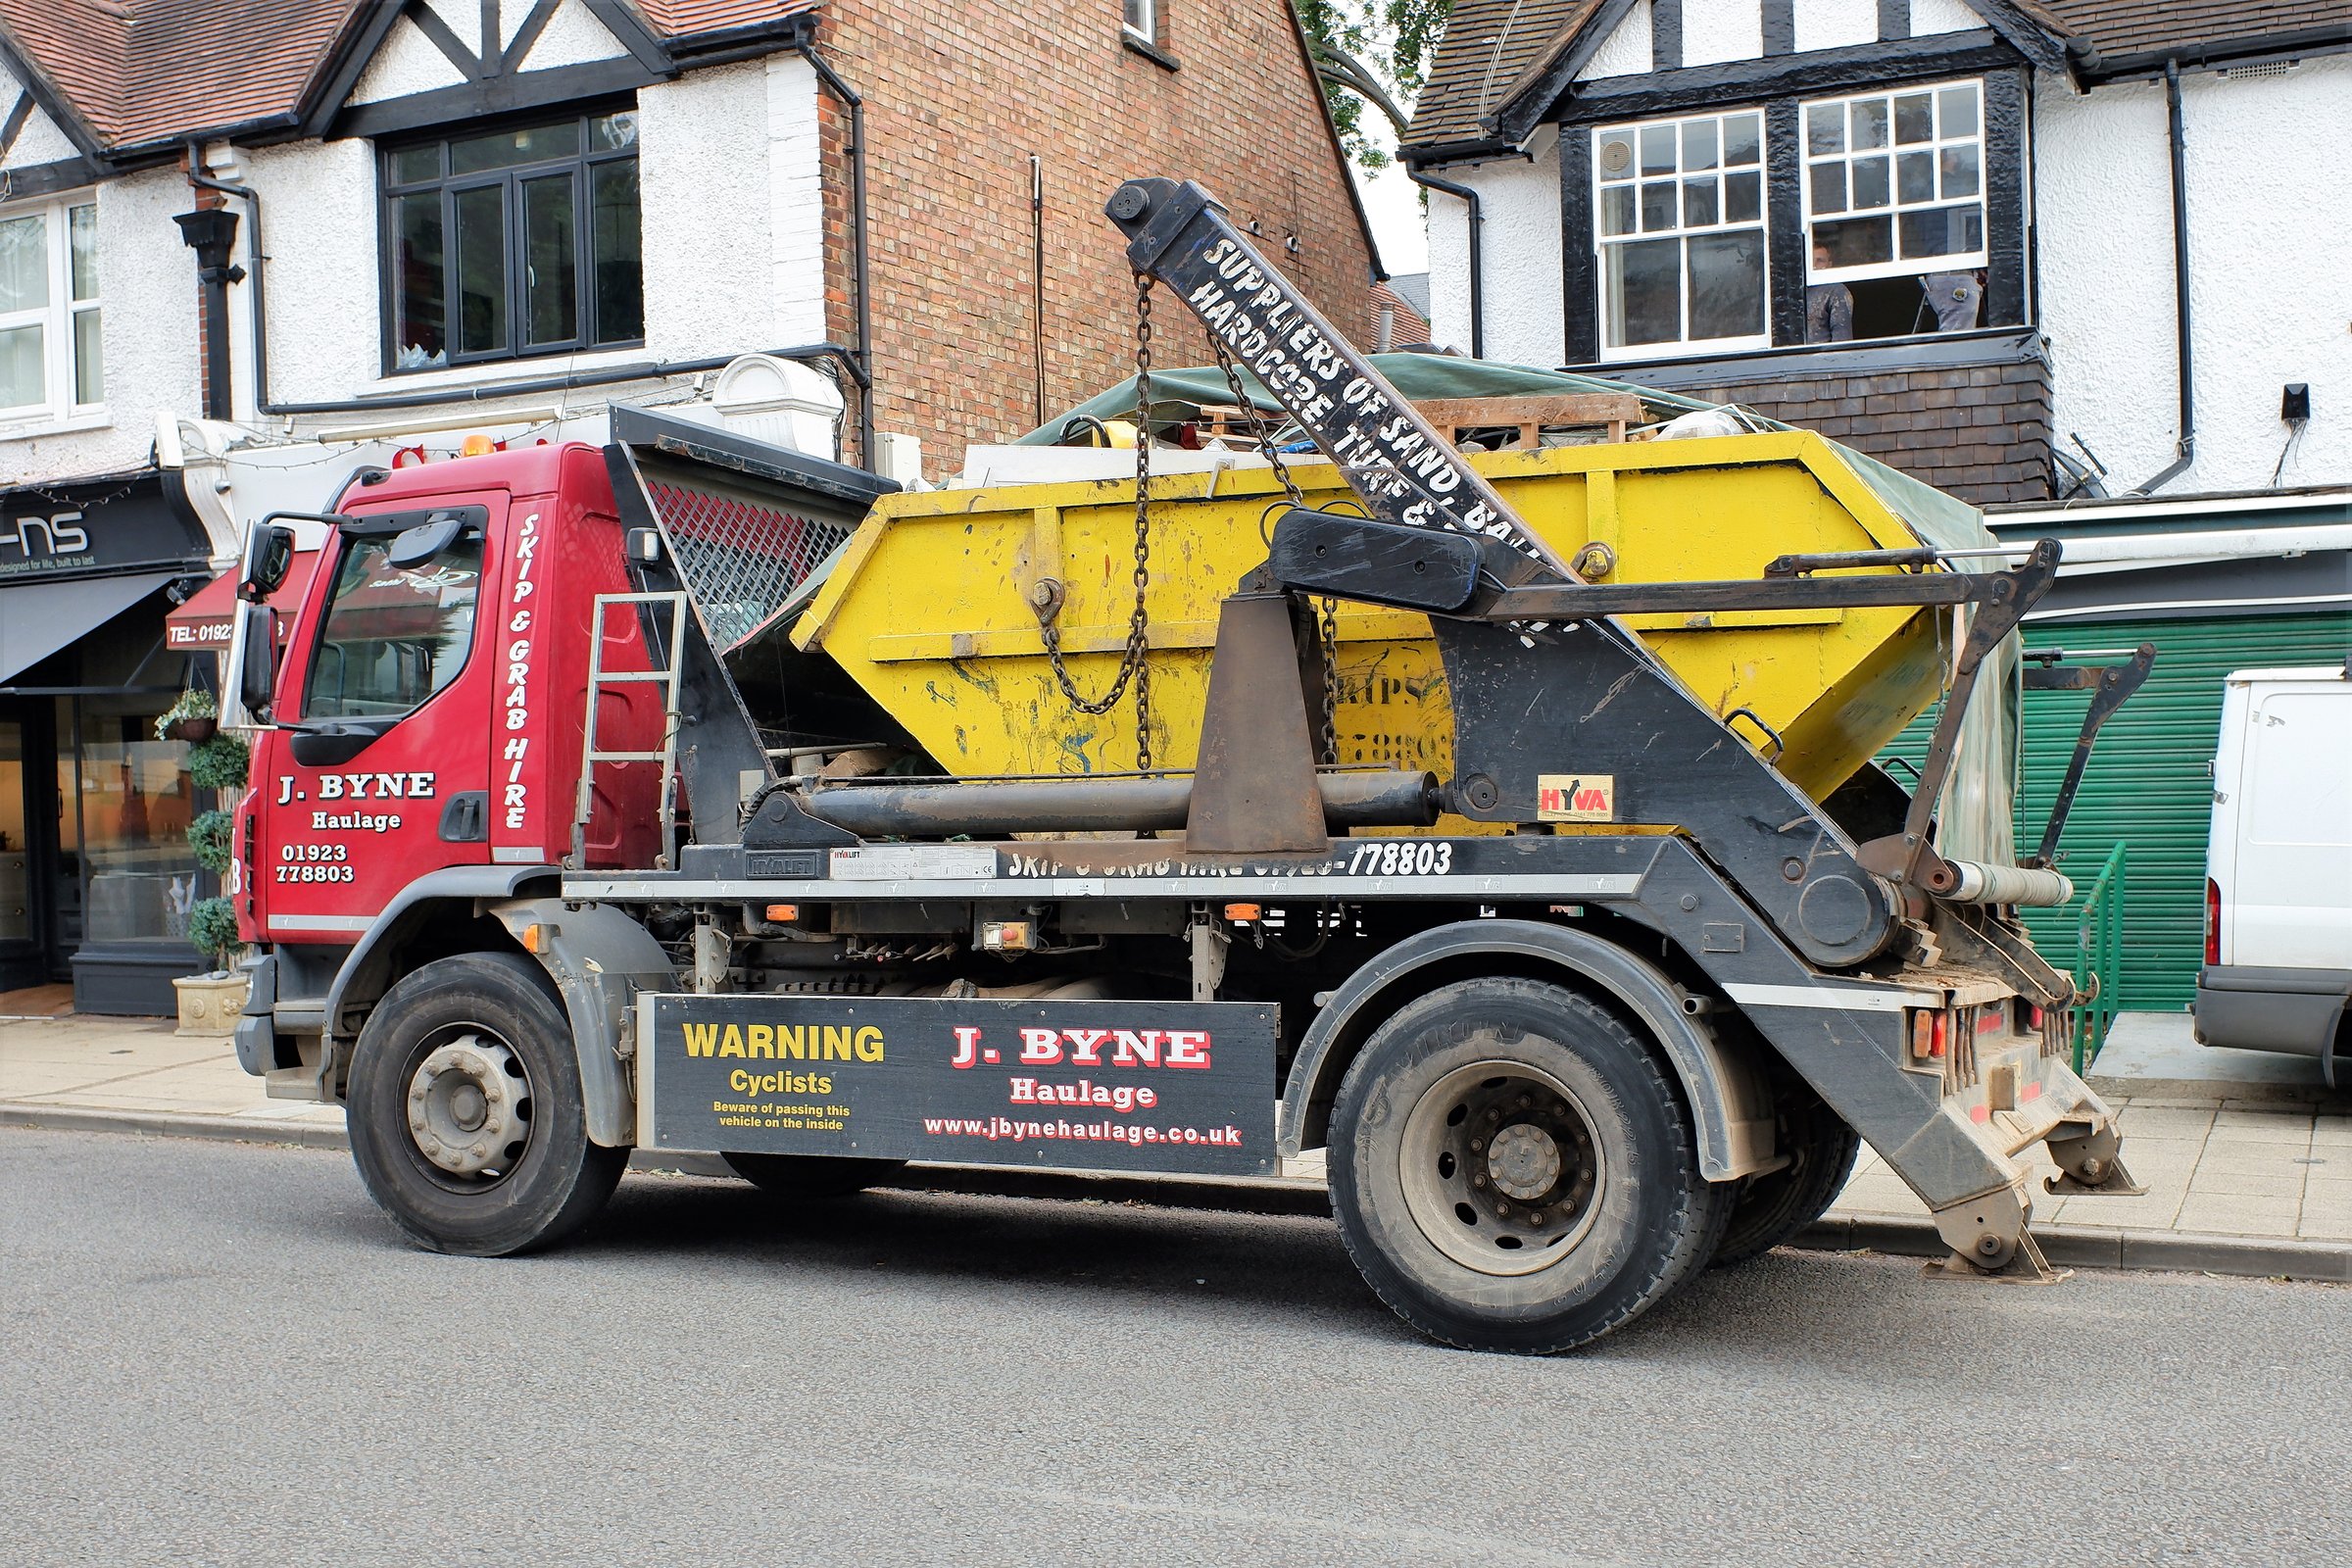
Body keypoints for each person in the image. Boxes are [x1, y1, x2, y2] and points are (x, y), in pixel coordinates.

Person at [1806, 243, 1853, 343]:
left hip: (1822, 356)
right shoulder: (1793, 290)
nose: (1814, 265)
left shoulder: (1836, 291)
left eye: (1820, 261)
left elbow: (1842, 339)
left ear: (1829, 265)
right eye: (1810, 260)